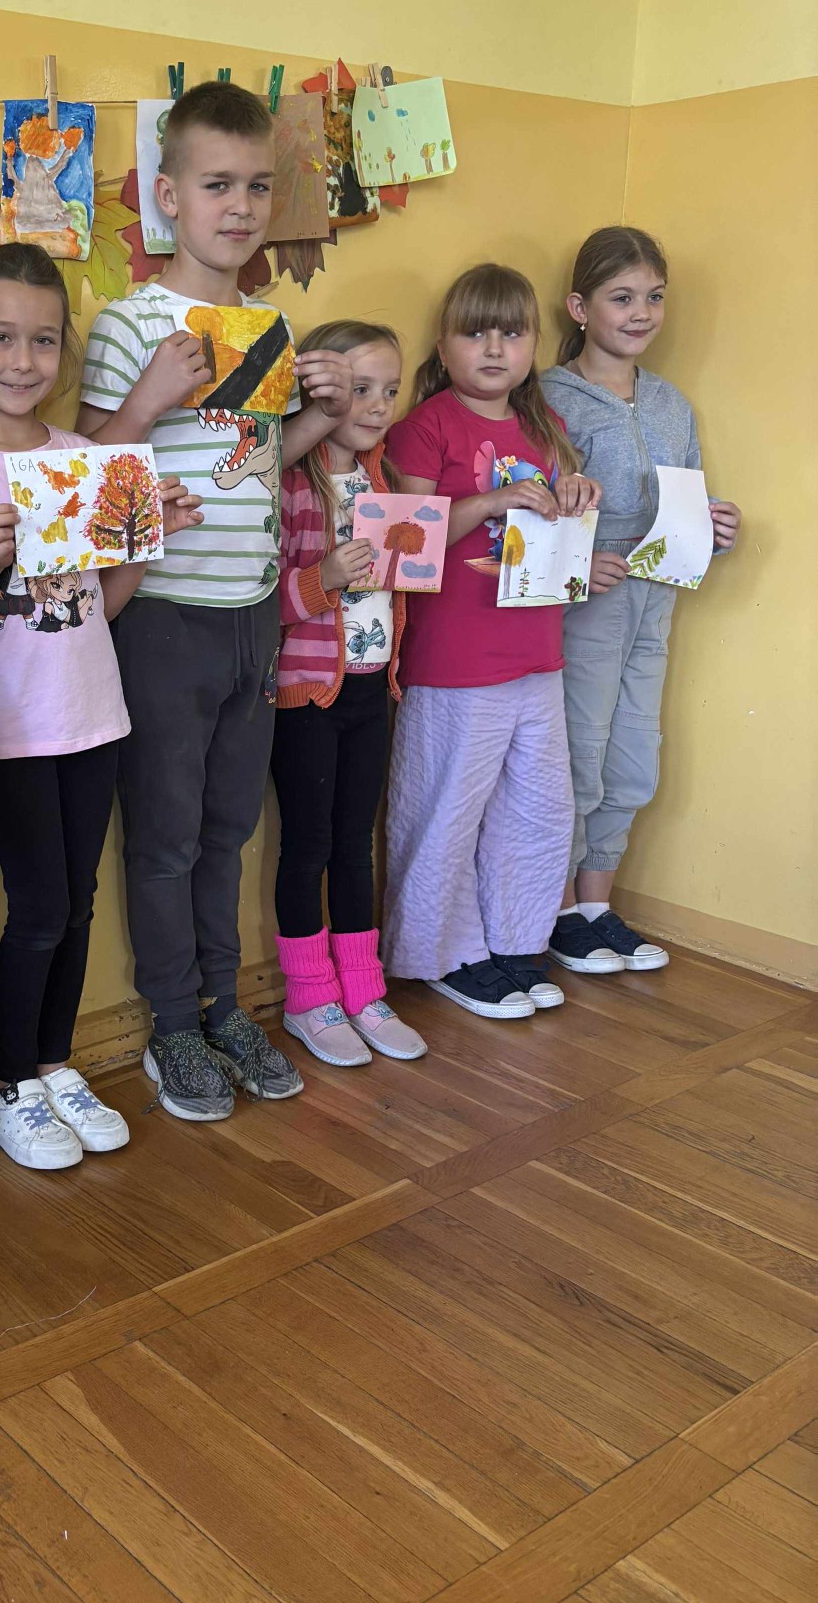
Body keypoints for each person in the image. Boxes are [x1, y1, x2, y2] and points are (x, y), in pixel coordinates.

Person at [78, 80, 352, 1122]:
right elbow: (85, 479)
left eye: (256, 187)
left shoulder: (268, 324)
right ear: (169, 196)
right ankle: (171, 1023)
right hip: (161, 617)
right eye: (216, 185)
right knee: (164, 835)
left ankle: (224, 1006)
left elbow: (257, 462)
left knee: (230, 827)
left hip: (253, 615)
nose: (239, 207)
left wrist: (321, 413)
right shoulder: (128, 324)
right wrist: (150, 394)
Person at [0, 243, 202, 1168]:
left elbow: (99, 607)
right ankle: (6, 1082)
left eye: (44, 341)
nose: (23, 360)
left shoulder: (83, 458)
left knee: (77, 905)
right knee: (39, 907)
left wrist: (146, 543)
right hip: (5, 726)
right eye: (1, 337)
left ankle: (52, 1064)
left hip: (94, 713)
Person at [381, 264, 601, 1019]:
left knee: (537, 809)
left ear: (534, 345)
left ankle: (514, 942)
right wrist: (495, 499)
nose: (496, 349)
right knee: (445, 811)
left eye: (512, 333)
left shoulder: (547, 427)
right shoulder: (424, 426)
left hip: (537, 654)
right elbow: (405, 541)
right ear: (443, 347)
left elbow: (561, 528)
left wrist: (578, 492)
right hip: (454, 663)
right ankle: (441, 955)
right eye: (476, 333)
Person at [541, 227, 741, 974]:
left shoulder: (670, 404)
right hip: (588, 605)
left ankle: (598, 906)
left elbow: (680, 509)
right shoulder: (549, 400)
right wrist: (578, 563)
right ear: (580, 307)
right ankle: (559, 909)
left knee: (633, 757)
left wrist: (715, 528)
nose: (641, 313)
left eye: (654, 297)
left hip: (655, 602)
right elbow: (529, 516)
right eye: (622, 297)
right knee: (579, 751)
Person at [272, 322, 426, 1067]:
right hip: (307, 696)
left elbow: (402, 576)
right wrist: (323, 579)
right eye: (361, 389)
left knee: (356, 845)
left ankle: (364, 989)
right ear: (320, 391)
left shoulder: (383, 478)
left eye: (389, 390)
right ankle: (310, 997)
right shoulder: (291, 483)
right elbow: (263, 600)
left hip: (372, 690)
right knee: (308, 848)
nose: (378, 404)